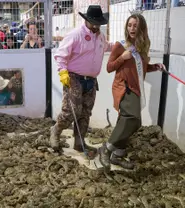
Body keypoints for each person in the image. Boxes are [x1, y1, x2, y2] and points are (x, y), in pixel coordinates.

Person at [98, 13, 165, 170]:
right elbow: (109, 68)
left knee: (132, 122)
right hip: (123, 86)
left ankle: (118, 155)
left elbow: (141, 68)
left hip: (135, 88)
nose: (132, 28)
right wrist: (122, 57)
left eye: (135, 25)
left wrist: (156, 67)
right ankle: (106, 149)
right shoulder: (120, 46)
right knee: (131, 119)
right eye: (129, 25)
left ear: (141, 27)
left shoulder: (142, 47)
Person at [51, 5, 112, 156]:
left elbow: (107, 47)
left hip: (91, 80)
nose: (97, 26)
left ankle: (79, 142)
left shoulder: (100, 36)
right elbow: (60, 55)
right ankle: (55, 131)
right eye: (94, 22)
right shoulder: (75, 34)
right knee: (70, 111)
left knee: (85, 112)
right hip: (74, 78)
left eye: (99, 23)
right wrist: (63, 72)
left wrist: (120, 45)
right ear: (87, 20)